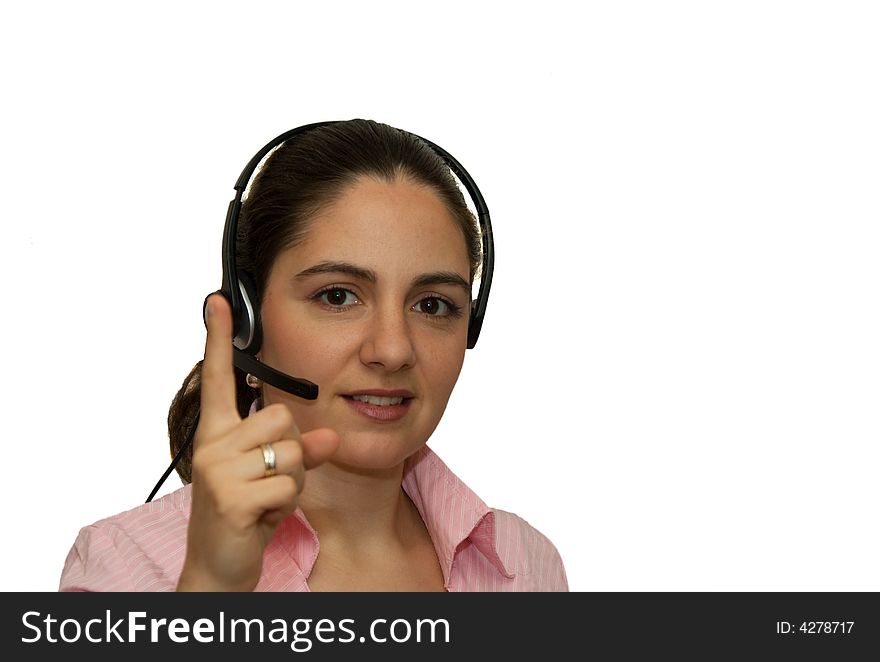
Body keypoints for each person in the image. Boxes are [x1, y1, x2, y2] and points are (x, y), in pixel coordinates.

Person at [59, 119, 568, 592]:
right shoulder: (124, 564)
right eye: (338, 296)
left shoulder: (526, 565)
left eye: (432, 304)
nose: (392, 349)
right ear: (247, 322)